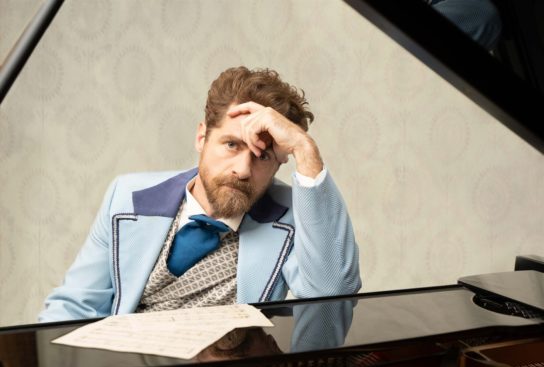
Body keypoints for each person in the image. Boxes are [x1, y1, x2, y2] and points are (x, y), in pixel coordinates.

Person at [38, 67, 361, 322]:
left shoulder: (298, 215)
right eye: (231, 144)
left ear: (280, 161)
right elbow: (73, 307)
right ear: (201, 138)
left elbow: (334, 298)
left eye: (262, 156)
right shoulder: (126, 196)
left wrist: (305, 150)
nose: (242, 169)